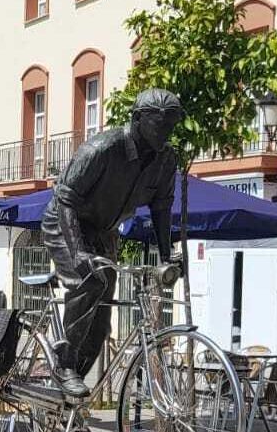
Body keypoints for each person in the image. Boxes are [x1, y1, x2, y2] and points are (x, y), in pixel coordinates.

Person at [41, 89, 183, 399]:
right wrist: (77, 251)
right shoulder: (102, 149)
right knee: (91, 282)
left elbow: (161, 209)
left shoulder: (165, 160)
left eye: (170, 126)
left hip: (103, 230)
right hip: (65, 221)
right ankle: (64, 365)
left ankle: (68, 401)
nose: (165, 133)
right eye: (159, 125)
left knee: (101, 320)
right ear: (137, 119)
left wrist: (166, 255)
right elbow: (65, 199)